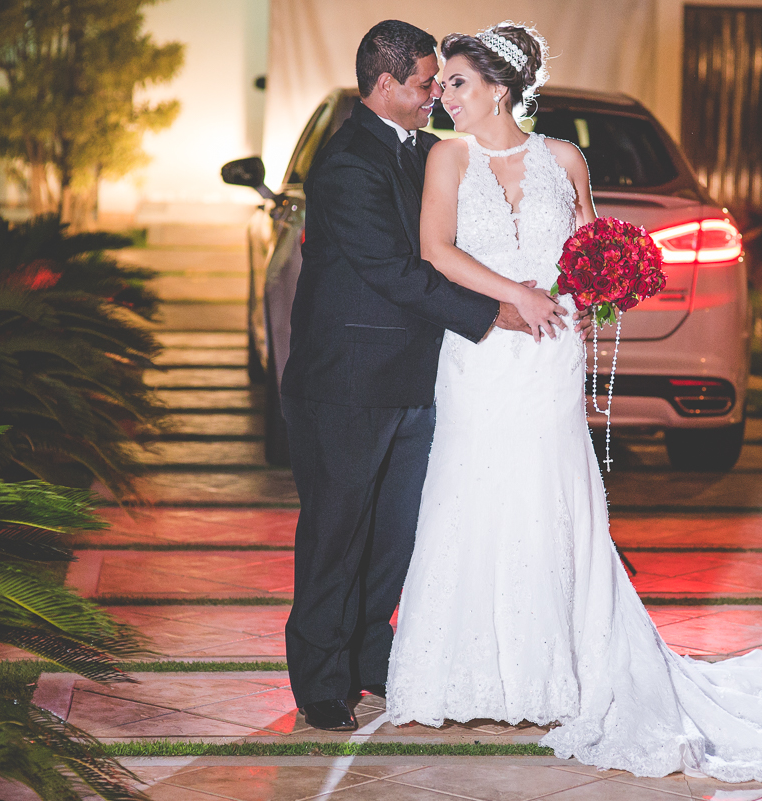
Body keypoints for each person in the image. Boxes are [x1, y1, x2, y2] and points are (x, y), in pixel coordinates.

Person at [385, 22, 762, 782]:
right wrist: (516, 296)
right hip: (479, 358)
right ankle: (462, 673)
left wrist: (607, 276)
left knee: (551, 494)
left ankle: (557, 669)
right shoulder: (445, 157)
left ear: (498, 88)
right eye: (440, 86)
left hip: (550, 356)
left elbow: (588, 244)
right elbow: (437, 251)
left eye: (456, 83)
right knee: (471, 490)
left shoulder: (564, 158)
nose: (443, 96)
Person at [279, 19, 571, 733]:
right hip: (347, 383)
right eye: (422, 85)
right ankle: (320, 680)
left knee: (393, 535)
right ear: (384, 86)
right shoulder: (348, 162)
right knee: (335, 534)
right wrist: (496, 312)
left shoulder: (432, 152)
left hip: (420, 379)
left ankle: (371, 661)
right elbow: (395, 269)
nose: (433, 95)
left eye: (440, 82)